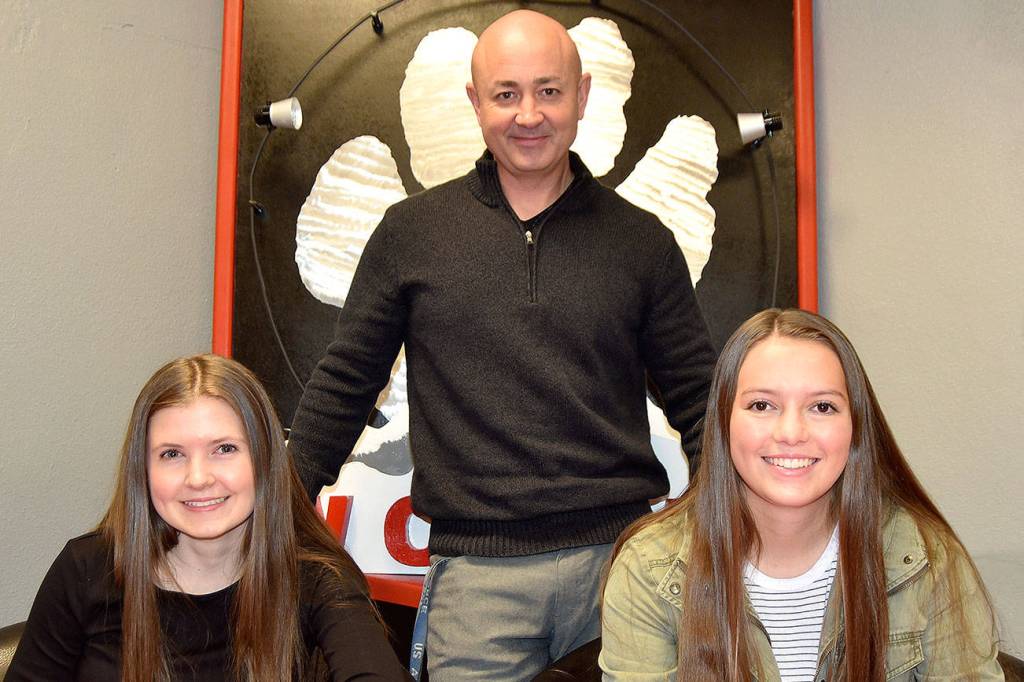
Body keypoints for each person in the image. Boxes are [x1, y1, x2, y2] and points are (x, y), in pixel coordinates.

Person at [287, 8, 716, 680]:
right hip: (477, 584)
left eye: (549, 90)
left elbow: (700, 399)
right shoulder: (410, 234)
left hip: (621, 569)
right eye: (506, 94)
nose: (529, 114)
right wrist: (271, 514)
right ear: (474, 102)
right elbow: (346, 381)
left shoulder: (643, 243)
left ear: (583, 95)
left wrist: (730, 526)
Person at [600, 308, 1003, 681]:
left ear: (856, 428)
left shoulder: (926, 561)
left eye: (822, 407)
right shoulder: (649, 569)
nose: (791, 433)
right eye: (762, 405)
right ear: (723, 423)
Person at [8, 354, 411, 682]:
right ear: (143, 471)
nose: (198, 478)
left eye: (224, 449)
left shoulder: (317, 576)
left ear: (265, 459)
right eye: (172, 454)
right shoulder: (86, 570)